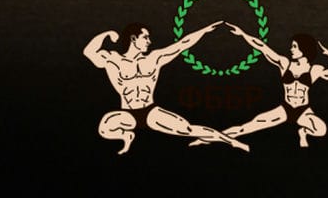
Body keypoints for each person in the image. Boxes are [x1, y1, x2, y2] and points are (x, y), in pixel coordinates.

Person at [83, 21, 238, 152]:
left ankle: (232, 142)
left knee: (188, 130)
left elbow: (182, 44)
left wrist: (204, 30)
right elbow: (89, 52)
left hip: (151, 111)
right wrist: (107, 34)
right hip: (127, 114)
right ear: (133, 39)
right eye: (145, 37)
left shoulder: (154, 58)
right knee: (104, 129)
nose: (149, 41)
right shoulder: (113, 60)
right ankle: (126, 136)